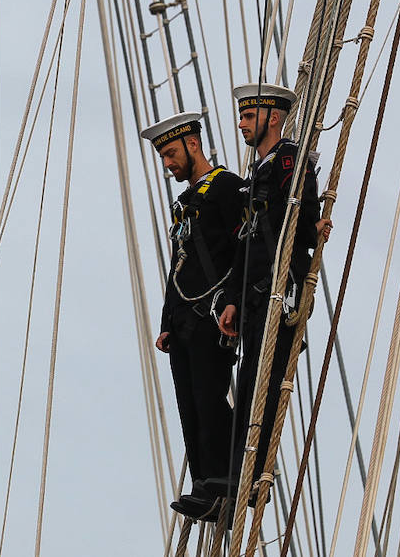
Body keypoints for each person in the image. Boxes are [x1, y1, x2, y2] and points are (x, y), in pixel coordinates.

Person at [214, 82, 331, 504]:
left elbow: (304, 220)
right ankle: (237, 472)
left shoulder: (289, 161)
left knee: (261, 381)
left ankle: (252, 470)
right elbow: (243, 244)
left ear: (274, 118)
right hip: (251, 293)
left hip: (279, 291)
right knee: (247, 382)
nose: (242, 123)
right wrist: (230, 297)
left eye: (249, 116)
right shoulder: (256, 175)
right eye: (242, 116)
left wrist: (310, 234)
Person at [143, 110, 245, 521]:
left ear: (193, 144)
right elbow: (178, 264)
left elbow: (244, 250)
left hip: (212, 313)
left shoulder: (228, 188)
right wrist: (167, 322)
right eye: (164, 158)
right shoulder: (184, 204)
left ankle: (223, 476)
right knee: (188, 403)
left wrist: (235, 299)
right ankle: (203, 482)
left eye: (171, 154)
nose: (168, 165)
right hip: (184, 318)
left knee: (208, 395)